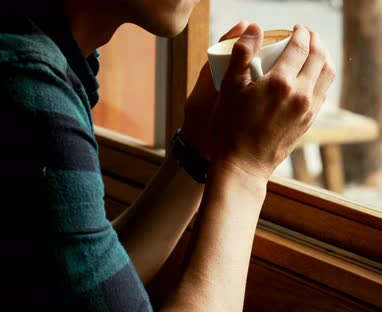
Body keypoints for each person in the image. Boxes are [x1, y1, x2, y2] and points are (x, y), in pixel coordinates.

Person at [0, 0, 334, 310]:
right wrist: (245, 170)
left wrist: (200, 147)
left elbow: (80, 286)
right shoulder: (27, 88)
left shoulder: (34, 48)